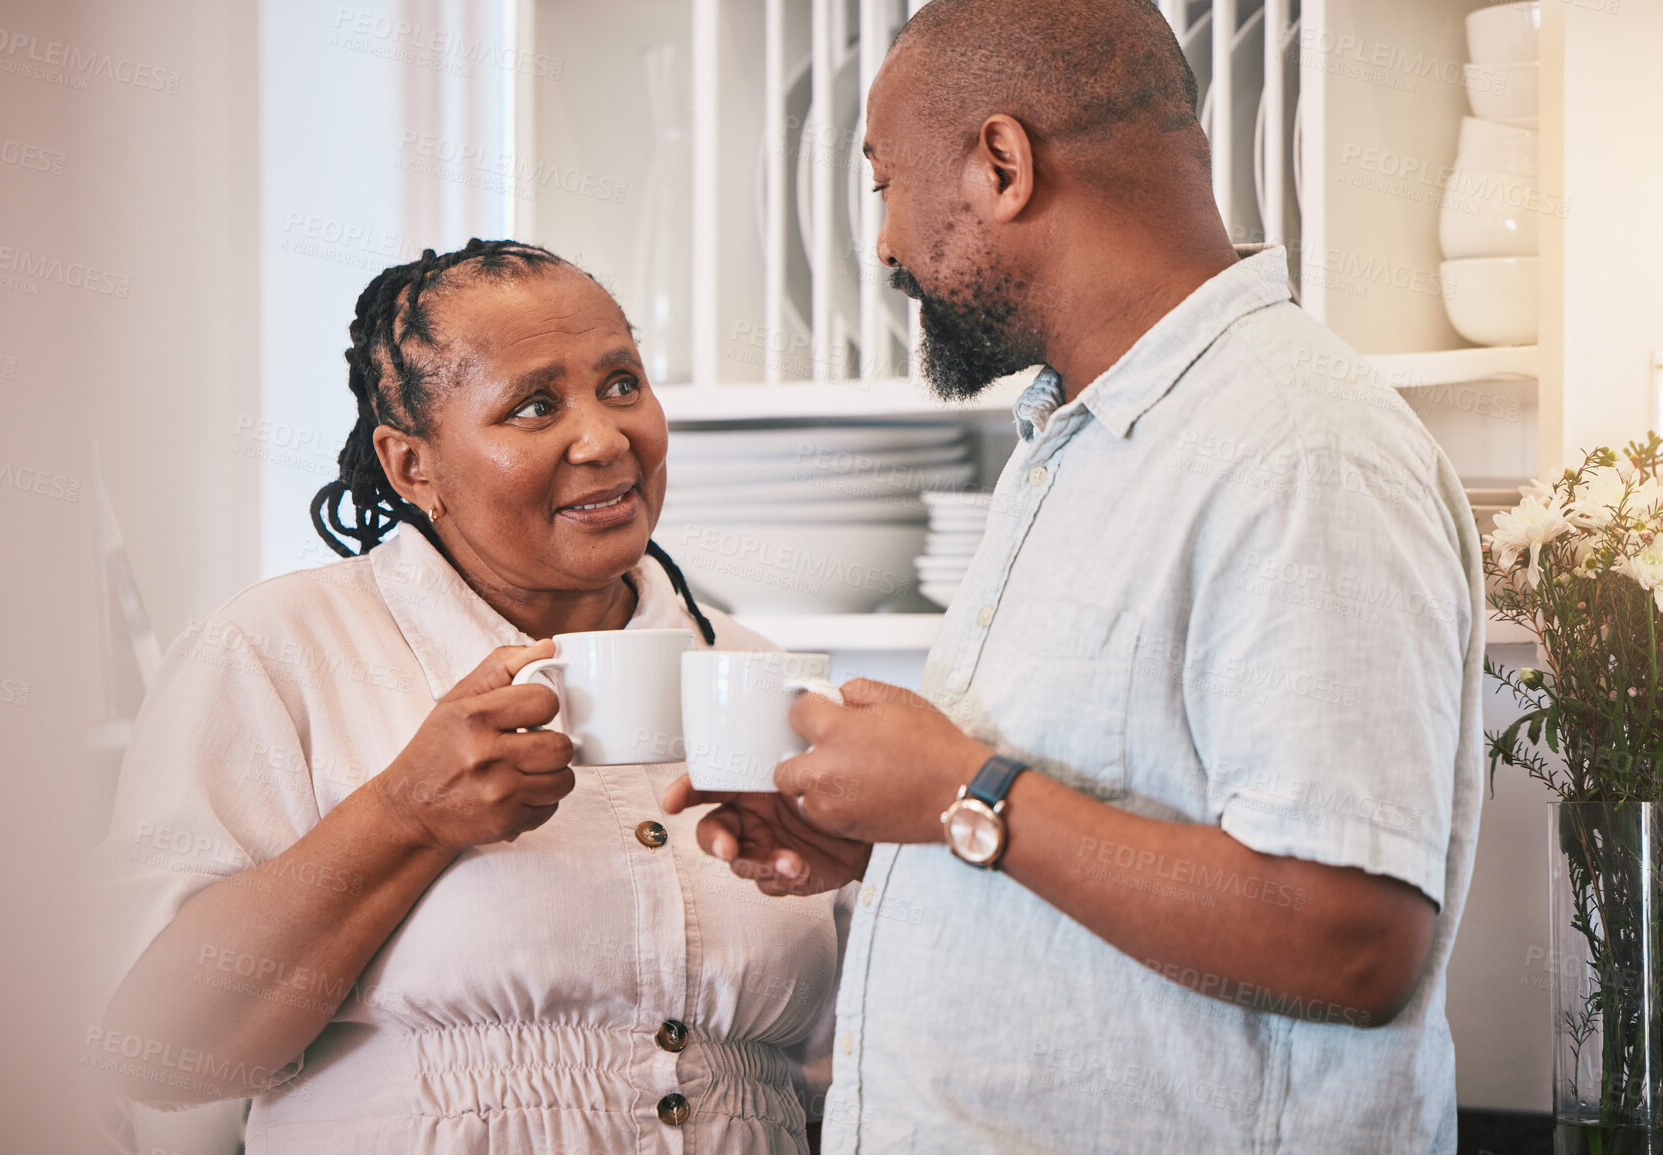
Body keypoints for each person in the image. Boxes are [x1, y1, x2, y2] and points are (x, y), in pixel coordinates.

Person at [665, 1, 1484, 1151]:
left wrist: (965, 796)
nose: (888, 244)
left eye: (884, 182)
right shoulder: (1082, 441)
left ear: (1003, 164)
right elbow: (1108, 834)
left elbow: (1348, 941)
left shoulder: (1299, 451)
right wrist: (915, 832)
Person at [92, 239, 845, 1154]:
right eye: (534, 405)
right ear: (413, 467)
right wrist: (405, 814)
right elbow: (159, 1052)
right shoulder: (276, 652)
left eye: (620, 384)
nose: (606, 438)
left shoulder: (749, 668)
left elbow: (839, 1067)